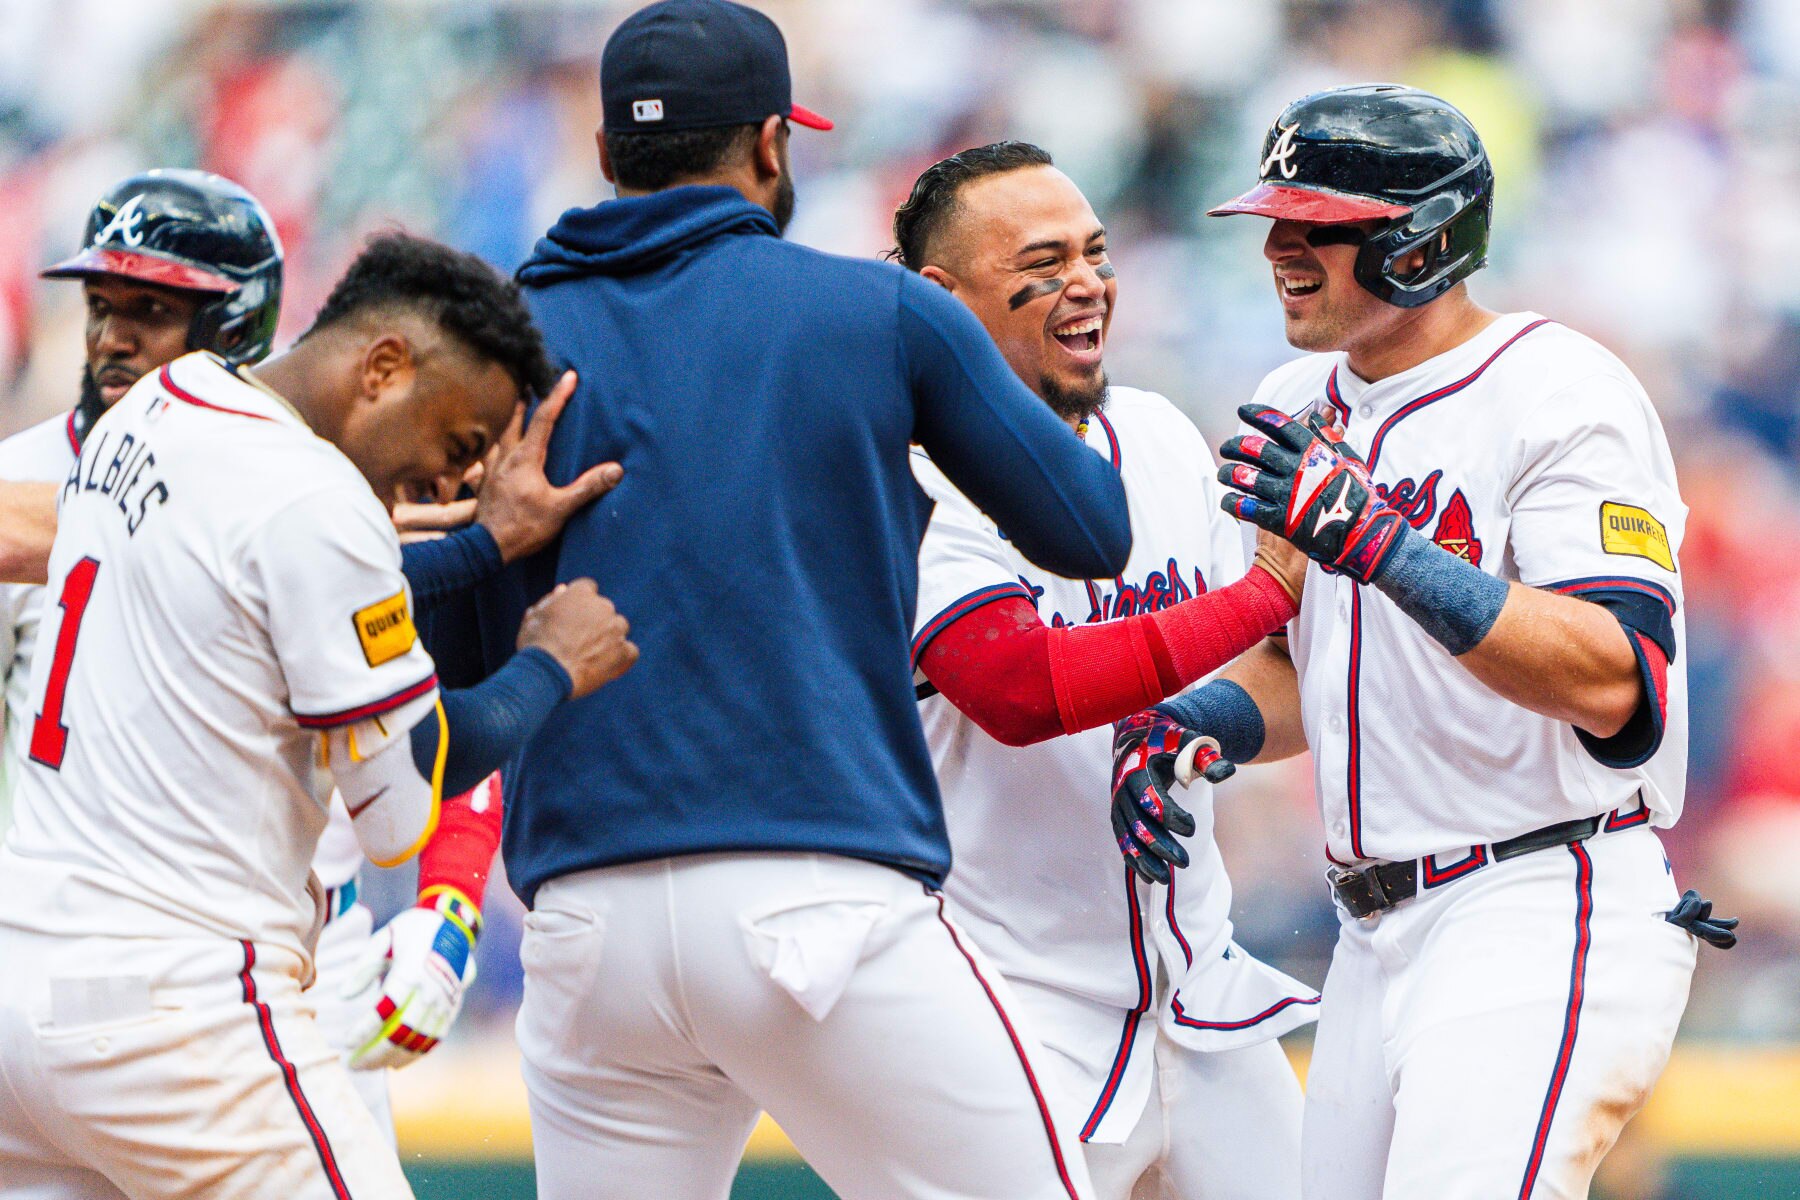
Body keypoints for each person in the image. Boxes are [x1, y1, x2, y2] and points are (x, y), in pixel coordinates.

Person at [442, 2, 1130, 1197]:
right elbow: (1091, 531)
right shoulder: (878, 311)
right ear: (772, 143)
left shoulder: (495, 340)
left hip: (584, 927)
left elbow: (448, 670)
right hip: (816, 901)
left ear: (606, 156)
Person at [1115, 84, 1735, 1199]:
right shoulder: (1293, 399)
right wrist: (1188, 727)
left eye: (1321, 225)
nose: (1283, 249)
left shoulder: (1559, 388)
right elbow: (1314, 678)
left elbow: (1618, 679)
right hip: (1374, 934)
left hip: (1542, 892)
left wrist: (1385, 545)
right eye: (1276, 221)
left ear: (1421, 238)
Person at [0, 230, 637, 1200]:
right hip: (179, 1012)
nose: (447, 481)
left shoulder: (156, 409)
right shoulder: (318, 498)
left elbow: (247, 583)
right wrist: (552, 664)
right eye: (459, 442)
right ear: (384, 367)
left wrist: (479, 545)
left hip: (22, 992)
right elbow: (399, 807)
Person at [893, 141, 1317, 1200]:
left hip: (1199, 993)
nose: (1086, 282)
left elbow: (1288, 680)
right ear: (940, 302)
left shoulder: (1162, 437)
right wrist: (1260, 594)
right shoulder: (903, 479)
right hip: (1005, 1007)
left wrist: (1199, 721)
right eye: (1041, 262)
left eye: (1095, 252)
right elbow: (1021, 690)